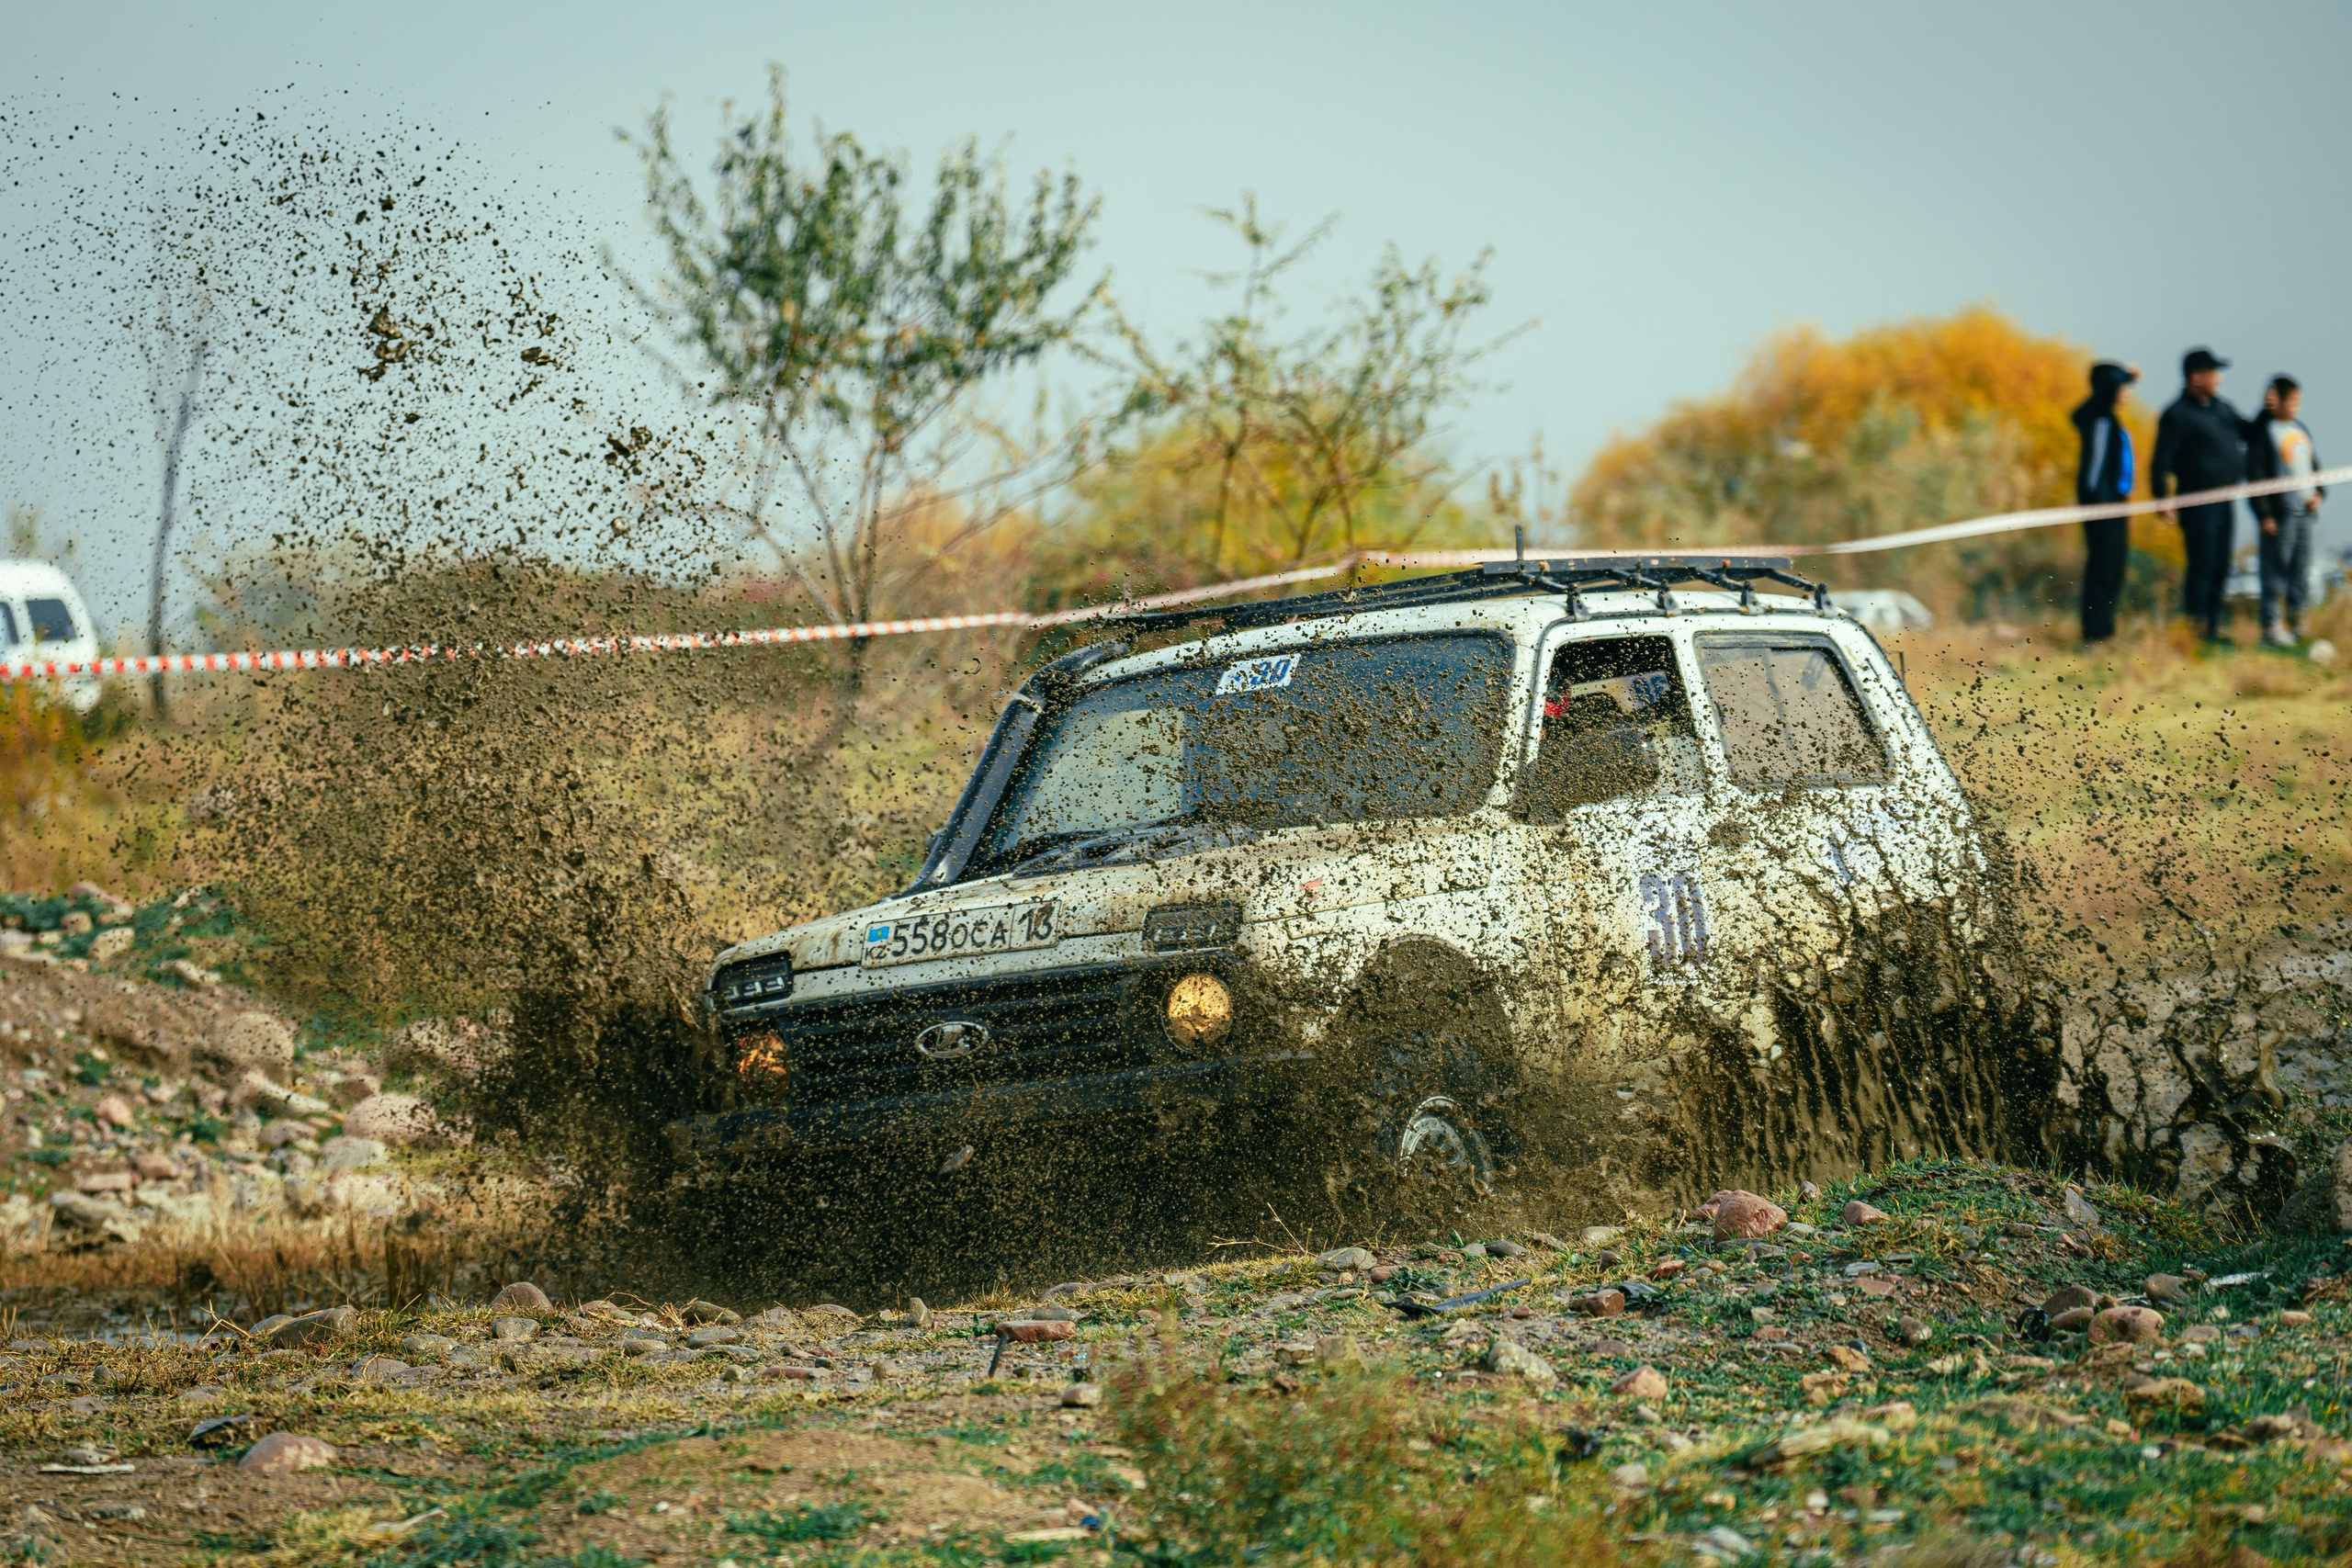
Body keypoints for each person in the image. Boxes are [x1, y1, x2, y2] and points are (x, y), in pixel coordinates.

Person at [2151, 347, 2253, 645]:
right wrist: (2163, 498)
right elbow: (2160, 462)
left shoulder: (2222, 408)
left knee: (2221, 563)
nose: (2219, 378)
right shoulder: (2177, 414)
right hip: (2197, 502)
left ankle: (2211, 629)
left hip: (2225, 501)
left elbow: (2249, 431)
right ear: (2196, 377)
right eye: (2213, 372)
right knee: (2203, 562)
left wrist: (2268, 411)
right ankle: (2195, 631)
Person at [2246, 374, 2324, 646]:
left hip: (2305, 513)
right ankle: (2271, 625)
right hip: (2280, 514)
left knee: (2300, 568)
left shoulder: (2300, 429)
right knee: (2275, 568)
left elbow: (2314, 467)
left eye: (2297, 401)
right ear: (2276, 400)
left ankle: (2298, 620)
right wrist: (2264, 513)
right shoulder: (2263, 432)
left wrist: (2319, 494)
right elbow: (2255, 475)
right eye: (2290, 400)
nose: (2295, 406)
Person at [2071, 360, 2139, 643]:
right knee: (2103, 566)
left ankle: (2105, 630)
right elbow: (2094, 472)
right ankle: (2095, 633)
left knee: (2115, 566)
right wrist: (2102, 505)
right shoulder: (2098, 416)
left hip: (2116, 503)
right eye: (2122, 386)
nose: (2126, 391)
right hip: (2103, 504)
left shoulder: (2108, 416)